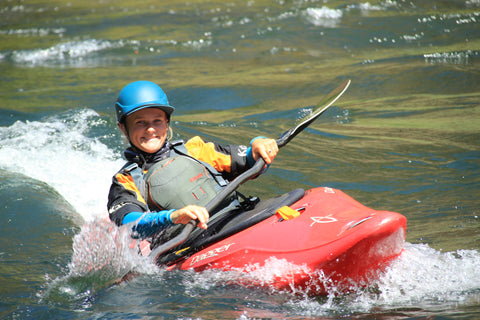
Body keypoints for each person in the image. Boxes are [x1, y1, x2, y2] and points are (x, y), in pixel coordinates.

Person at [107, 80, 278, 240]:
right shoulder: (126, 180)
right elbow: (128, 223)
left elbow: (251, 161)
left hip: (237, 219)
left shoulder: (195, 150)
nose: (151, 129)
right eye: (140, 122)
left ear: (167, 122)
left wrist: (260, 143)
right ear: (123, 127)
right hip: (191, 244)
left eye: (157, 121)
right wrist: (173, 217)